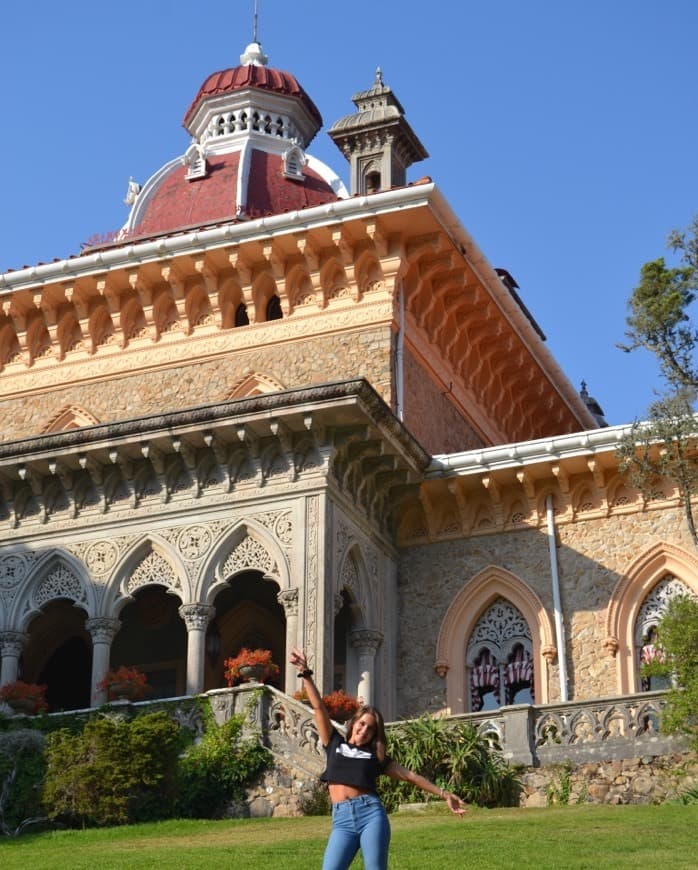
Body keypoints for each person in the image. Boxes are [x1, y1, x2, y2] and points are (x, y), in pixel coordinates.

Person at [290, 647, 466, 870]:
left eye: (370, 729)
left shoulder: (376, 757)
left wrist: (444, 794)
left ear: (375, 734)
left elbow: (410, 776)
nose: (364, 731)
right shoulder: (334, 742)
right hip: (341, 820)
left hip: (370, 815)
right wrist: (305, 673)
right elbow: (318, 708)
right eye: (362, 724)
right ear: (354, 723)